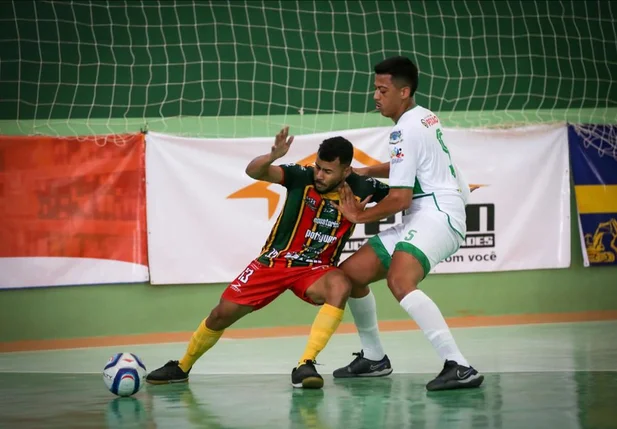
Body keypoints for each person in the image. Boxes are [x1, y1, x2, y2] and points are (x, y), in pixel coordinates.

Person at [146, 127, 389, 389]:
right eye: (318, 167)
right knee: (221, 314)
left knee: (341, 283)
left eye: (327, 171)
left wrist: (365, 215)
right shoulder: (300, 175)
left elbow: (404, 197)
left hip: (316, 270)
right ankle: (182, 366)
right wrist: (271, 156)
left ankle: (306, 363)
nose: (319, 174)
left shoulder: (362, 188)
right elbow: (255, 171)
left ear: (346, 171)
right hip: (274, 262)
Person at [330, 56, 484, 391]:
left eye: (383, 90)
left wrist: (357, 216)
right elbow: (410, 164)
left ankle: (459, 365)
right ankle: (374, 357)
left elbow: (399, 199)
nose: (376, 96)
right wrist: (367, 171)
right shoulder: (423, 117)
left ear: (404, 91)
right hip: (428, 211)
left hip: (438, 214)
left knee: (400, 279)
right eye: (375, 88)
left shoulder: (404, 128)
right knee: (351, 273)